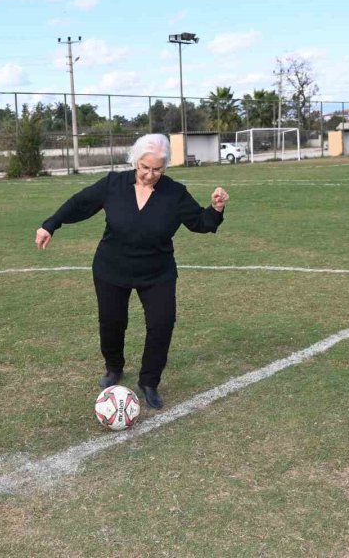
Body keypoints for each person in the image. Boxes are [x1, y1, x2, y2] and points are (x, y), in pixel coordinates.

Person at [35, 134, 229, 409]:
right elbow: (80, 203)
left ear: (165, 167)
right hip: (111, 268)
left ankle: (149, 381)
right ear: (135, 161)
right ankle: (113, 368)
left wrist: (217, 208)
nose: (150, 174)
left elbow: (200, 222)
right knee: (112, 321)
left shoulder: (175, 193)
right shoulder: (114, 184)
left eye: (157, 169)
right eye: (145, 167)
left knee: (162, 323)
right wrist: (50, 225)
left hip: (157, 272)